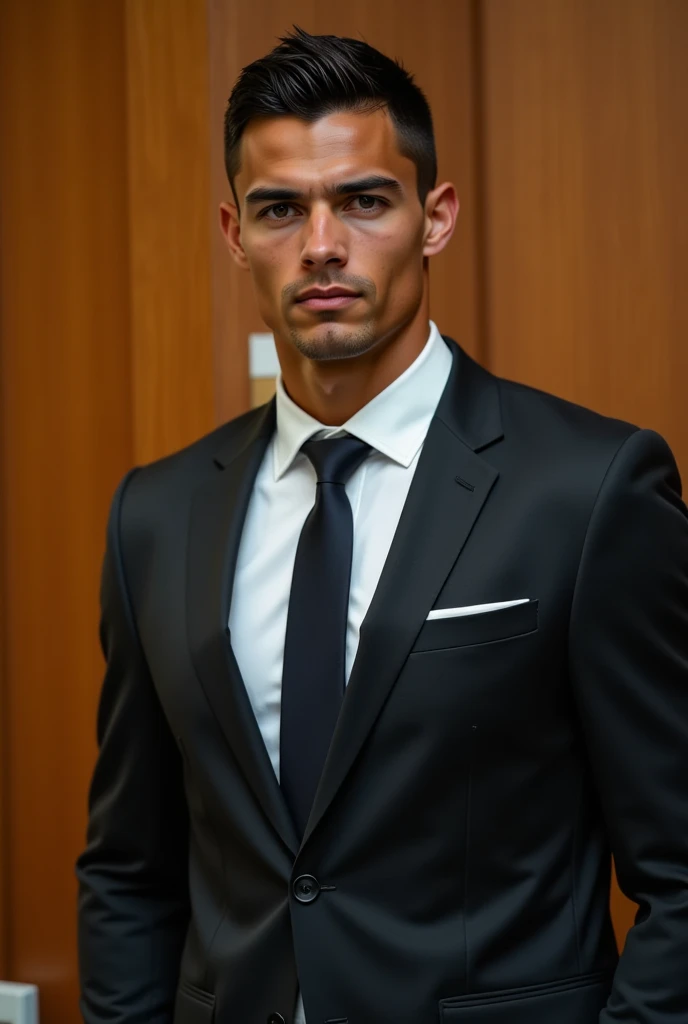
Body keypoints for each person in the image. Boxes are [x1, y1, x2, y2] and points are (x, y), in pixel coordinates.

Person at [76, 26, 688, 1024]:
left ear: (434, 217)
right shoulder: (155, 514)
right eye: (280, 209)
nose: (322, 244)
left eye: (363, 200)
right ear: (233, 233)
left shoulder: (588, 491)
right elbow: (129, 873)